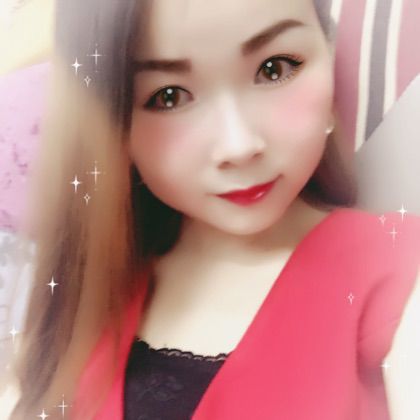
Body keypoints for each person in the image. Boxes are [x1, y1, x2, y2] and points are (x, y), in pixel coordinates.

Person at [8, 0, 420, 419]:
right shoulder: (90, 291)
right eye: (168, 97)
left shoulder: (398, 271)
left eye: (274, 69)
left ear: (328, 54)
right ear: (110, 123)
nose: (238, 146)